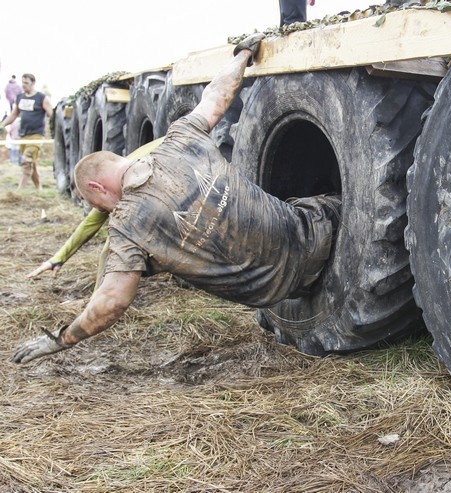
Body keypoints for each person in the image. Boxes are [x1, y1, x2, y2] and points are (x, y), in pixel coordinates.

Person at [14, 33, 342, 364]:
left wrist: (63, 339)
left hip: (287, 294)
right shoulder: (180, 139)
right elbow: (217, 94)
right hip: (318, 235)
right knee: (324, 203)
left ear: (99, 188)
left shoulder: (127, 231)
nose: (105, 213)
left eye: (99, 207)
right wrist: (243, 54)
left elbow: (112, 301)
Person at [26, 138, 164, 289]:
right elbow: (90, 223)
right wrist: (58, 258)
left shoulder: (140, 172)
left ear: (97, 187)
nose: (102, 210)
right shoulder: (117, 175)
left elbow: (109, 249)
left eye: (94, 203)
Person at [0, 73, 53, 190]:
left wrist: (55, 129)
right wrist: (2, 125)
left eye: (26, 83)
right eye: (22, 83)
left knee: (26, 159)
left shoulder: (42, 98)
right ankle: (39, 188)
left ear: (33, 83)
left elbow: (52, 115)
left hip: (37, 135)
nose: (24, 85)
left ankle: (20, 191)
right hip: (23, 136)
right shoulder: (20, 97)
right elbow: (14, 115)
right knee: (32, 164)